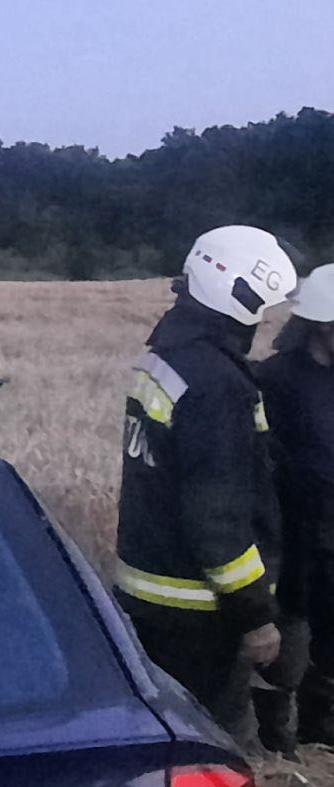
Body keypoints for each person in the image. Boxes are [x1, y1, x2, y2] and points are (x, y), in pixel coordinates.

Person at [114, 225, 298, 752]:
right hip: (200, 613)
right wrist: (255, 616)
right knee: (212, 752)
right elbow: (216, 519)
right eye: (263, 305)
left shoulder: (167, 354)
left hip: (147, 595)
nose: (266, 318)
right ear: (239, 297)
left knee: (162, 740)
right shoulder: (217, 385)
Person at [253, 264, 334, 751]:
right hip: (293, 545)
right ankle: (278, 748)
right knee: (286, 655)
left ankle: (319, 735)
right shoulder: (275, 380)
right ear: (323, 324)